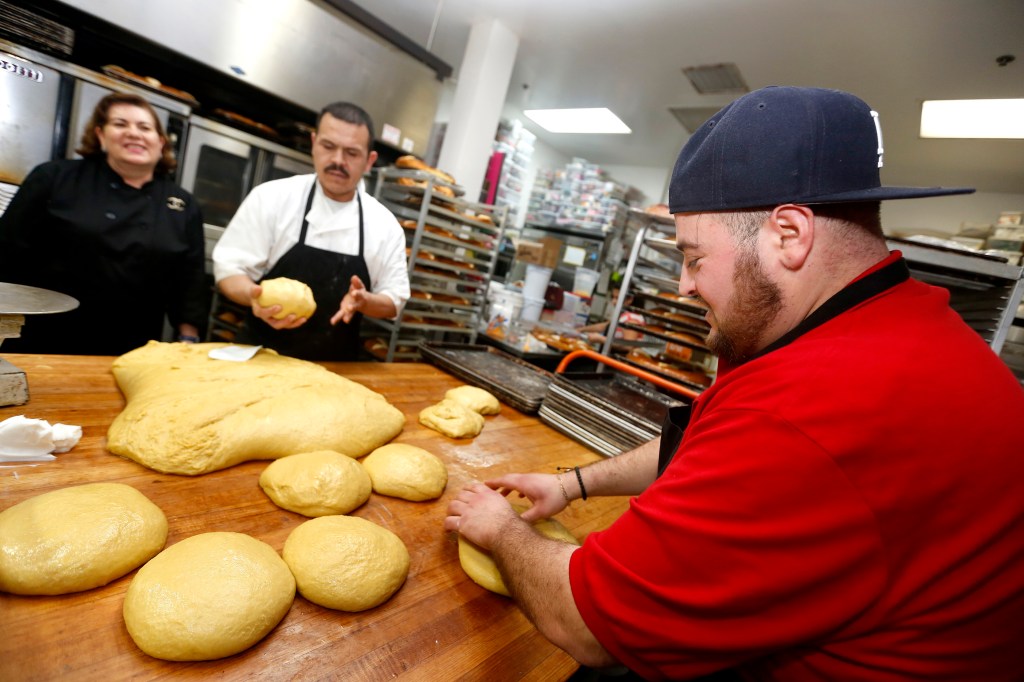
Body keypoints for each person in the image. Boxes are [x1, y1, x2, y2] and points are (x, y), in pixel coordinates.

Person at [444, 86, 1024, 680]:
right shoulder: (893, 322)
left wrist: (501, 532)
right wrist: (574, 484)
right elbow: (708, 440)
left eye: (694, 258)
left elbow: (588, 624)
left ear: (790, 235)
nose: (683, 287)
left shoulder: (817, 405)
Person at [0, 92, 208, 355]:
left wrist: (188, 341)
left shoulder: (182, 204)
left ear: (160, 142)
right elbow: (6, 252)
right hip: (44, 338)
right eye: (120, 124)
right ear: (101, 135)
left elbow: (190, 282)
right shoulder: (55, 178)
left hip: (134, 346)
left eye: (145, 127)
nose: (134, 133)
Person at [212, 101, 409, 361]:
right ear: (314, 143)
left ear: (369, 160)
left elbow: (394, 300)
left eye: (351, 152)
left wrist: (365, 301)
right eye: (328, 147)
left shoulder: (384, 225)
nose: (338, 161)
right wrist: (254, 297)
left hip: (335, 369)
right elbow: (229, 271)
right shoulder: (271, 198)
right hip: (261, 359)